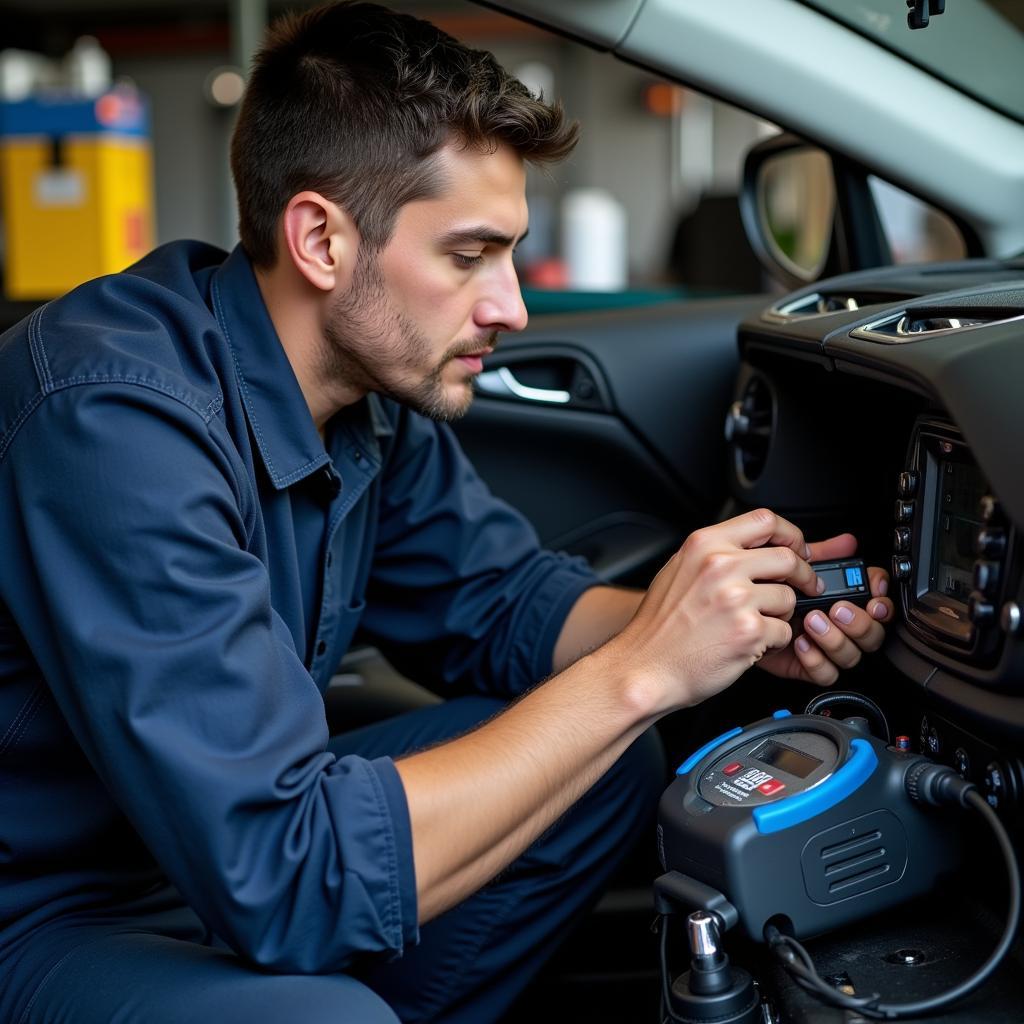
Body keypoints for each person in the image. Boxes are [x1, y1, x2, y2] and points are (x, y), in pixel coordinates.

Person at [0, 4, 894, 1022]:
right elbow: (283, 873)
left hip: (196, 854)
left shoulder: (363, 394)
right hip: (45, 909)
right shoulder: (114, 419)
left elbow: (504, 605)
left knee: (597, 767)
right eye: (470, 255)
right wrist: (646, 671)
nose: (511, 306)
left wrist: (719, 623)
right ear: (321, 240)